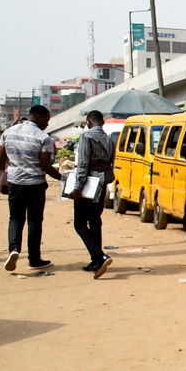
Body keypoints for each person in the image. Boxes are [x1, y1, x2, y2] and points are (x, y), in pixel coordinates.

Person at [0, 105, 62, 271]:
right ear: (38, 117)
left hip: (14, 183)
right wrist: (62, 178)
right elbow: (46, 165)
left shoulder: (8, 132)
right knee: (34, 221)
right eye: (46, 120)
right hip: (35, 185)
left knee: (15, 218)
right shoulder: (43, 137)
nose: (47, 124)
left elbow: (0, 160)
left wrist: (2, 179)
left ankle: (14, 249)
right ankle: (34, 259)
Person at [70, 110, 114, 278]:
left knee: (79, 223)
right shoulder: (109, 140)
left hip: (88, 184)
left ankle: (99, 256)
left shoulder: (86, 137)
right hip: (101, 184)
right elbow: (110, 163)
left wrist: (78, 187)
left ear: (89, 122)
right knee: (95, 221)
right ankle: (95, 262)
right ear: (102, 122)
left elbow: (83, 164)